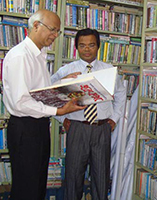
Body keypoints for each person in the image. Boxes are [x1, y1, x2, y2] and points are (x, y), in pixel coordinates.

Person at [2, 9, 86, 200]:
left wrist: (61, 83)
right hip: (25, 127)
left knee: (38, 184)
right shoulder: (20, 56)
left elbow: (39, 91)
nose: (55, 35)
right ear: (36, 26)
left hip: (38, 126)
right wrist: (58, 110)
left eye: (58, 31)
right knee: (26, 187)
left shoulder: (39, 55)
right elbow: (21, 102)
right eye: (52, 30)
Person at [51, 28, 126, 200]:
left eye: (91, 45)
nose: (87, 49)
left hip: (102, 128)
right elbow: (50, 94)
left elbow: (121, 94)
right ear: (76, 47)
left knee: (101, 177)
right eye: (82, 45)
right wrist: (62, 118)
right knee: (73, 176)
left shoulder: (109, 71)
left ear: (98, 46)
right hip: (77, 128)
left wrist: (114, 119)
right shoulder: (67, 71)